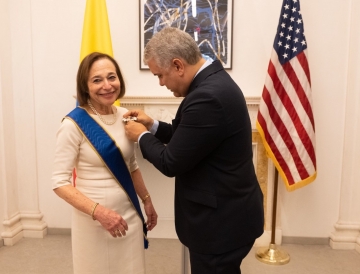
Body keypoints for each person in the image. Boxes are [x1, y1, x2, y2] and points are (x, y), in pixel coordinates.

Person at [123, 27, 264, 274]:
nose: (161, 83)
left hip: (220, 225)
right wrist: (152, 125)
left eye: (160, 75)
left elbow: (171, 162)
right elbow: (187, 136)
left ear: (178, 65)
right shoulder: (212, 82)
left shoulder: (207, 96)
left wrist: (141, 136)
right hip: (229, 216)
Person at [52, 52, 157, 274]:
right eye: (97, 80)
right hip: (94, 221)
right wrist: (100, 213)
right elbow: (59, 182)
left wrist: (146, 200)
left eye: (112, 77)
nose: (107, 85)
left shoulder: (126, 116)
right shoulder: (73, 124)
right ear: (85, 86)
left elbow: (132, 165)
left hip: (129, 215)